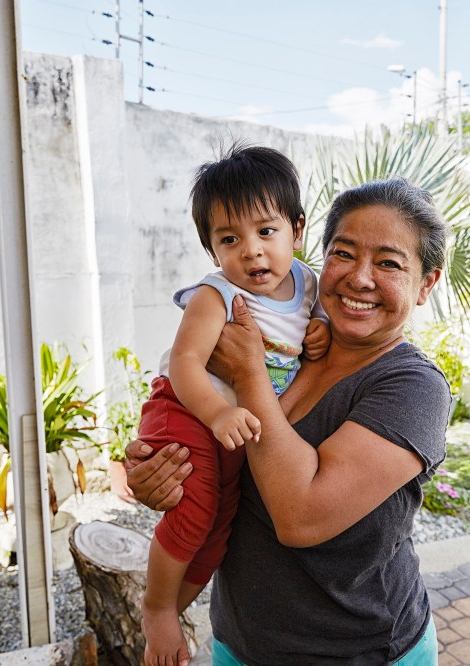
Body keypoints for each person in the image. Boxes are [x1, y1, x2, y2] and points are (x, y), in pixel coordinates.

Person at [127, 176, 452, 665]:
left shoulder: (412, 387)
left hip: (356, 652)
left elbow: (302, 517)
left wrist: (249, 368)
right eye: (343, 254)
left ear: (426, 282)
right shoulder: (291, 341)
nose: (360, 278)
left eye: (388, 263)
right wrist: (166, 473)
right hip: (240, 642)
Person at [137, 144, 330, 666]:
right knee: (195, 514)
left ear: (297, 228)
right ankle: (155, 609)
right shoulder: (215, 295)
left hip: (236, 428)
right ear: (212, 250)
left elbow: (312, 338)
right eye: (229, 239)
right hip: (188, 410)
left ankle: (171, 614)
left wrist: (314, 340)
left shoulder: (310, 284)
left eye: (266, 231)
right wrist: (217, 413)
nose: (251, 251)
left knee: (219, 533)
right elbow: (184, 364)